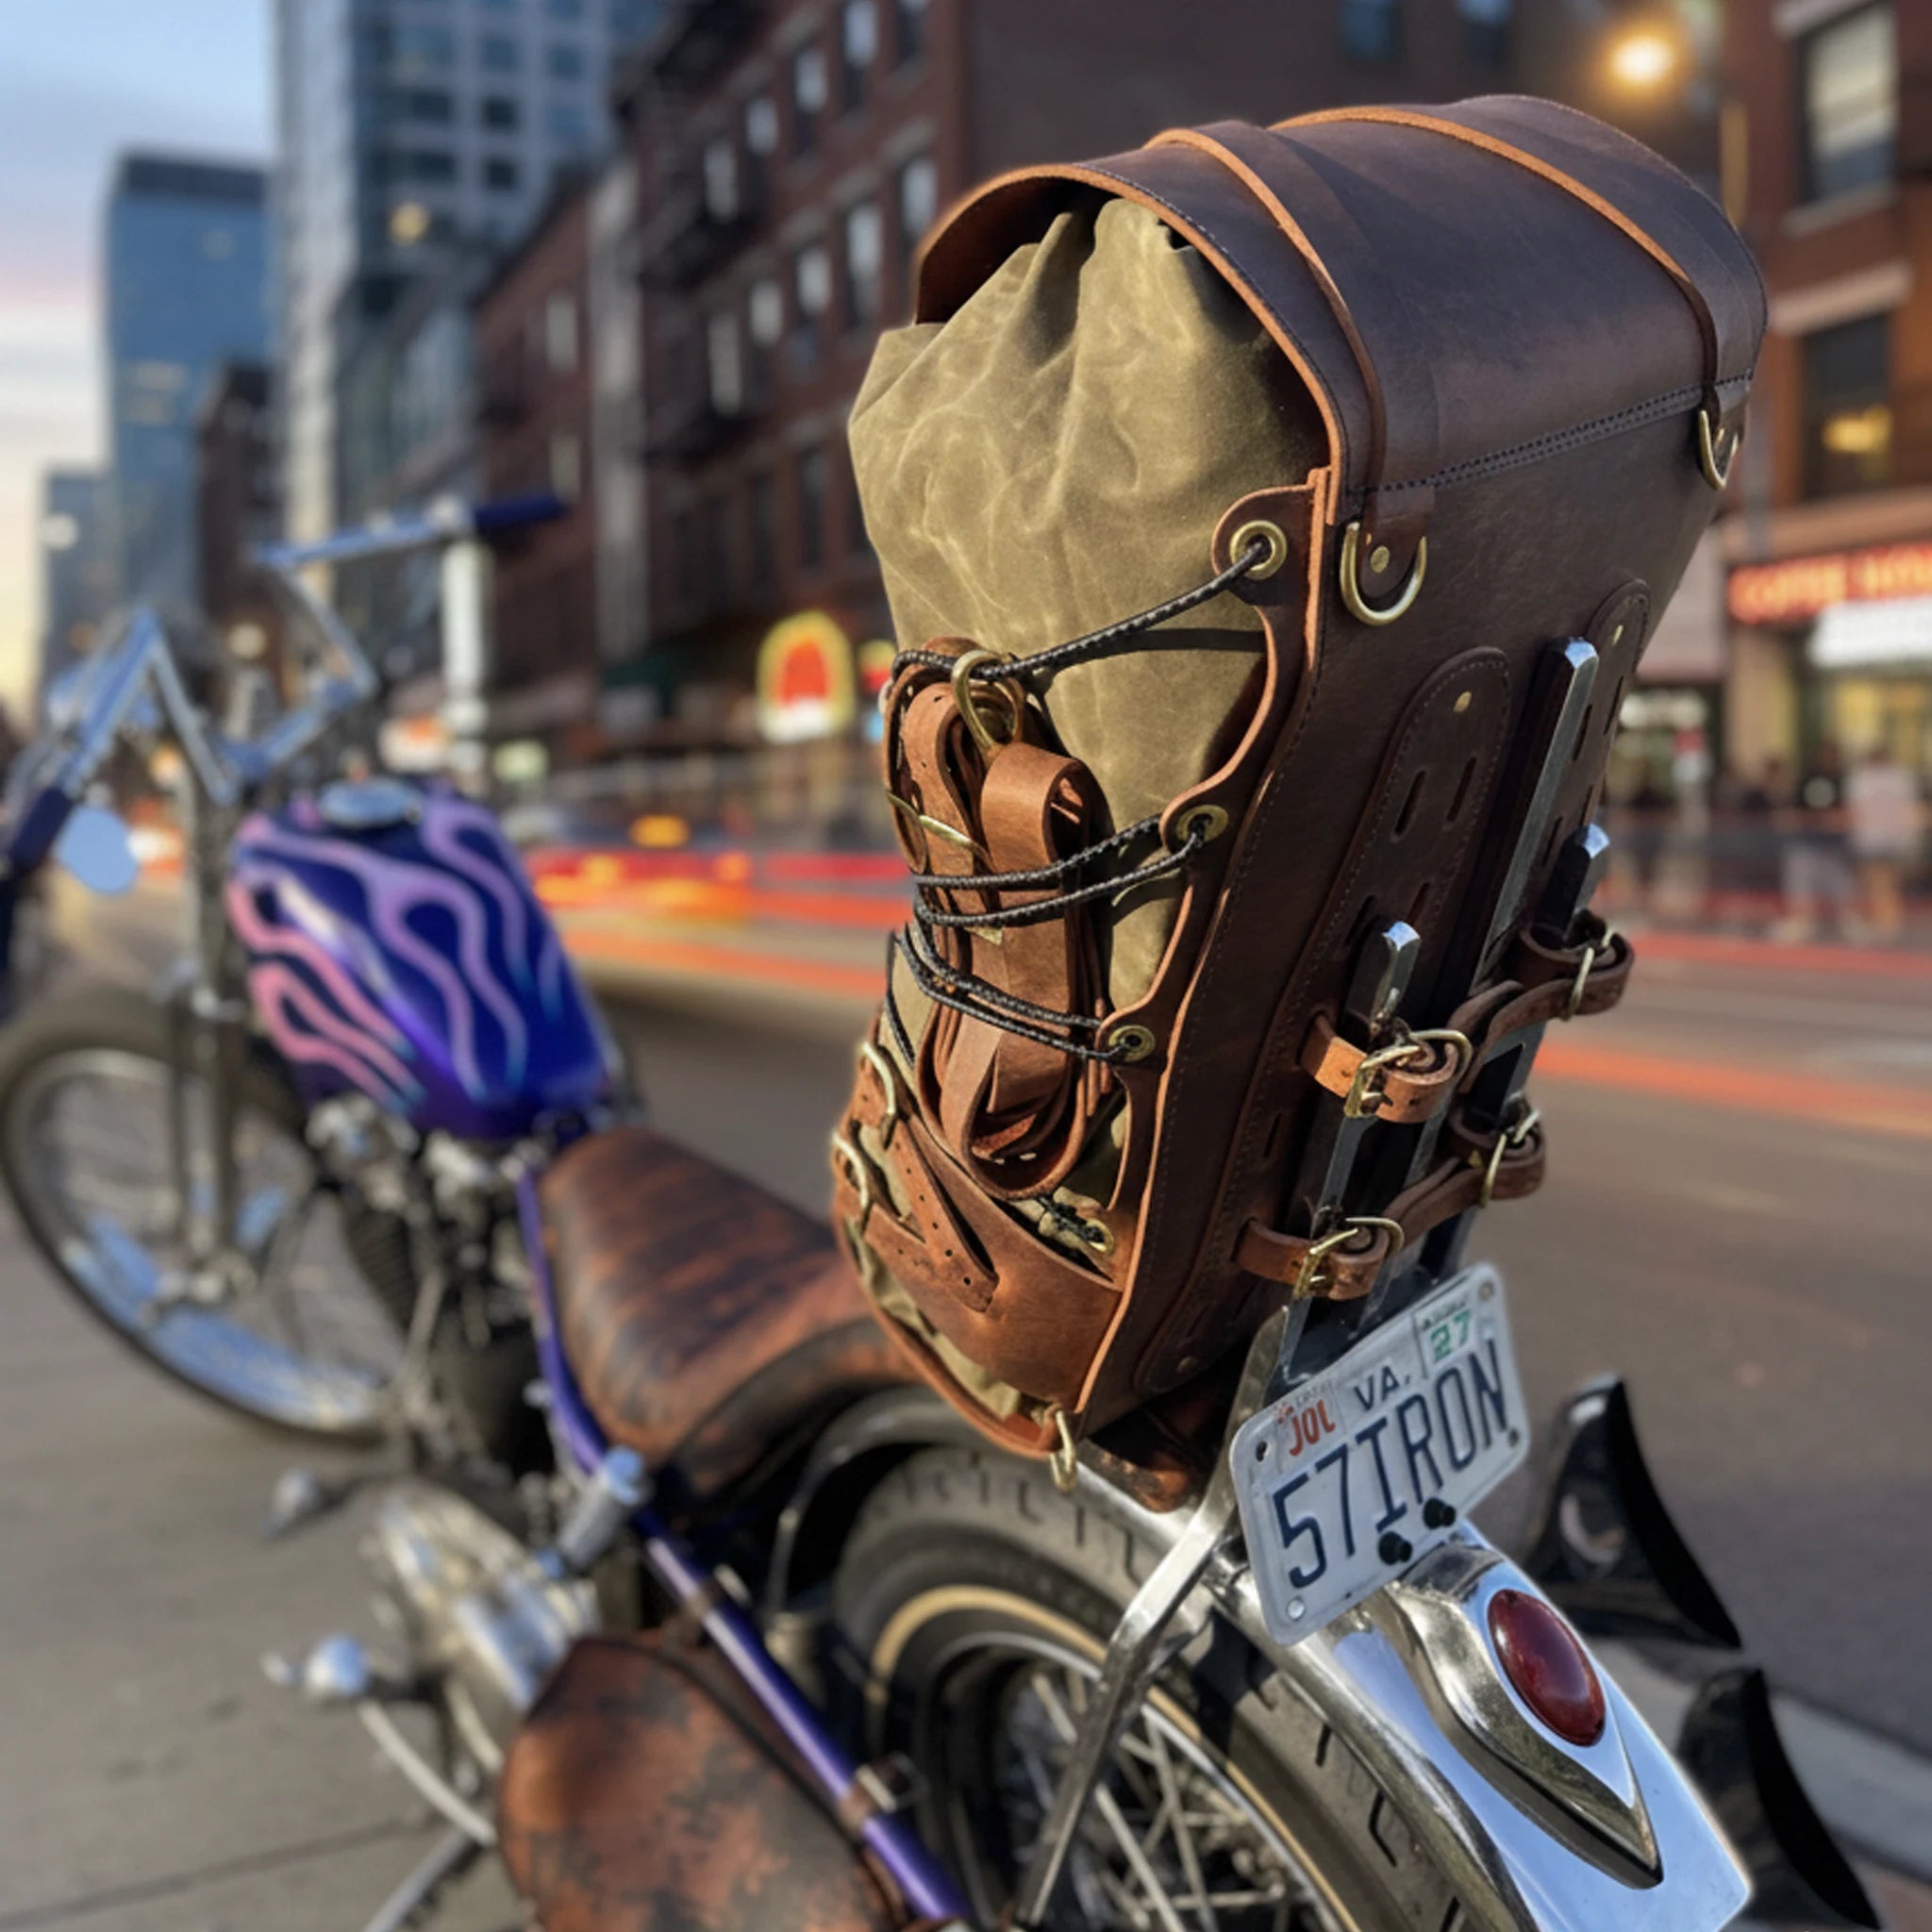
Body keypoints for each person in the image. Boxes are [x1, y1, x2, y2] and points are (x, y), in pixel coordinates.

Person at [1777, 742, 1856, 941]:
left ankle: (1849, 921)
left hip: (1833, 843)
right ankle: (1802, 922)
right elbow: (1793, 812)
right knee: (1801, 882)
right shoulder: (1806, 780)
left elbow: (1846, 813)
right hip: (1806, 840)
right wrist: (1813, 819)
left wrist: (1835, 820)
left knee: (1839, 884)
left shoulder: (1841, 780)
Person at [1846, 743, 1921, 942]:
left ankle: (1885, 923)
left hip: (1872, 839)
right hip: (1894, 838)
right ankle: (1889, 921)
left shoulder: (1862, 780)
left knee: (1877, 883)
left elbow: (1856, 811)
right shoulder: (1900, 779)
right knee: (1890, 883)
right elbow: (1909, 810)